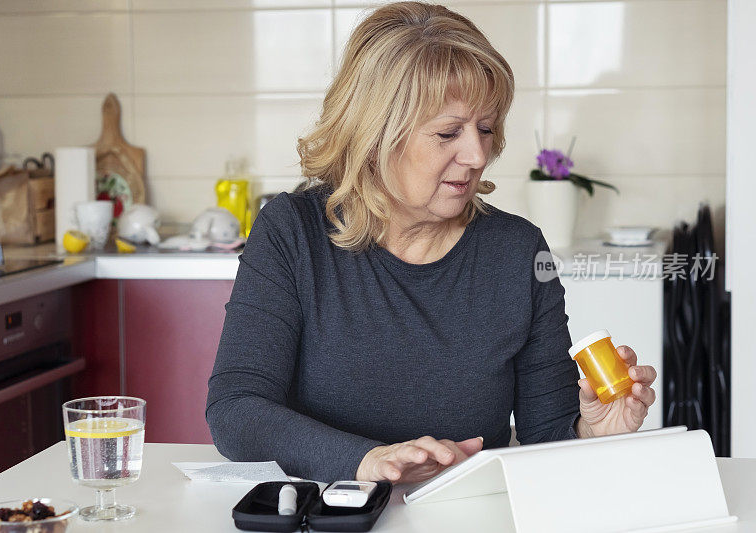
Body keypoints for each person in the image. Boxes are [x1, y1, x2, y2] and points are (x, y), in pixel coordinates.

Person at [206, 1, 657, 484]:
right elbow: (236, 410)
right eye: (448, 133)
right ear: (376, 134)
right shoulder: (293, 231)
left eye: (486, 128)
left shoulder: (518, 250)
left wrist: (592, 431)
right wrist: (367, 461)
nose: (478, 153)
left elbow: (547, 432)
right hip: (329, 509)